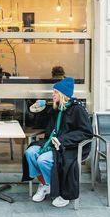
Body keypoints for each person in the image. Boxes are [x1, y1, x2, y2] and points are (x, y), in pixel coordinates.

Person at [22, 77, 93, 207]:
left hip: (69, 147)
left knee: (43, 160)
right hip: (51, 143)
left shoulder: (77, 109)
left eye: (55, 92)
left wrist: (62, 140)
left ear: (62, 94)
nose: (52, 95)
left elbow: (86, 132)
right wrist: (35, 111)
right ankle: (46, 184)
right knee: (30, 153)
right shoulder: (56, 108)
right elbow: (40, 124)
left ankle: (61, 191)